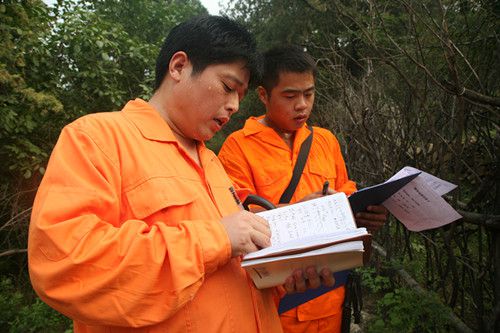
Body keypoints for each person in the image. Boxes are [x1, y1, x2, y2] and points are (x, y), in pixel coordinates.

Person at [28, 16, 332, 333]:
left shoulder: (212, 162)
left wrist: (283, 275)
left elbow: (237, 270)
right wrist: (217, 238)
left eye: (240, 96)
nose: (233, 106)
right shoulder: (98, 139)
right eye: (228, 87)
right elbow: (66, 265)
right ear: (178, 67)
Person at [218, 45, 388, 333]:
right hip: (275, 302)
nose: (302, 105)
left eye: (309, 94)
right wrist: (303, 210)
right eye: (290, 96)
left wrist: (363, 214)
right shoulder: (238, 147)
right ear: (263, 95)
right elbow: (237, 221)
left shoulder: (325, 141)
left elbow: (345, 193)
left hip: (330, 292)